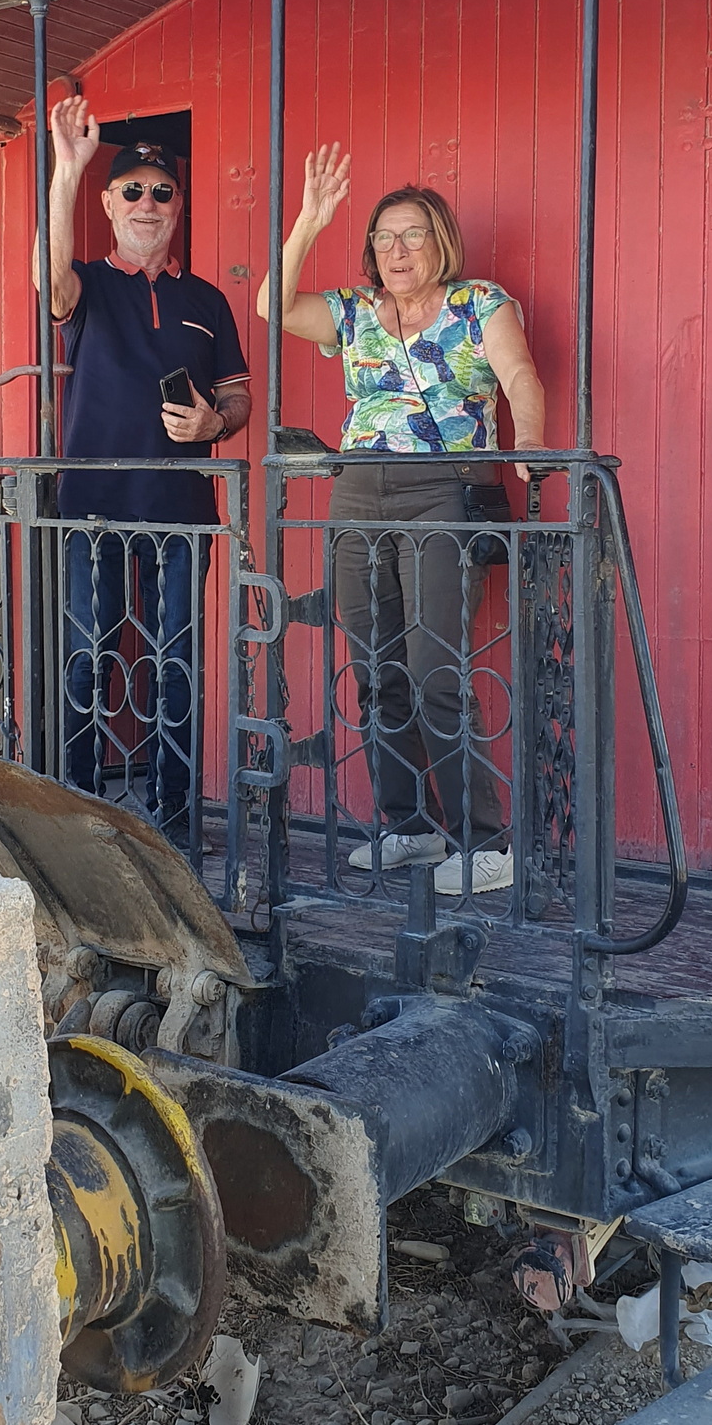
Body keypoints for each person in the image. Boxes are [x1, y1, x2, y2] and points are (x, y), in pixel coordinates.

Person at [258, 144, 545, 894]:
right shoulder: (354, 311)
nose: (397, 250)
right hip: (357, 491)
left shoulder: (480, 303)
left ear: (439, 241)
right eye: (384, 237)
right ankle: (409, 825)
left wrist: (531, 442)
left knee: (433, 669)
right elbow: (271, 306)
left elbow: (519, 373)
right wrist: (308, 221)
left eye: (412, 234)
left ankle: (486, 844)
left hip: (442, 488)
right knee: (375, 666)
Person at [33, 97, 251, 848]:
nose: (147, 203)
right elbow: (48, 279)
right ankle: (77, 814)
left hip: (179, 508)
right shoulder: (86, 282)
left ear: (178, 205)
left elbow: (236, 396)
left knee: (176, 663)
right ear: (109, 203)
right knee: (85, 659)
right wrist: (67, 172)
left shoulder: (207, 300)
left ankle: (173, 817)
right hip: (92, 504)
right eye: (132, 190)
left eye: (162, 192)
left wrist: (215, 424)